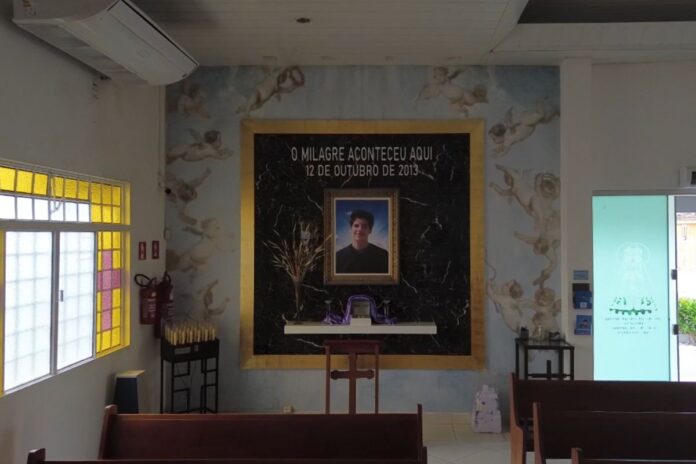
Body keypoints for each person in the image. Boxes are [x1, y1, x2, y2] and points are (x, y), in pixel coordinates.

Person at [335, 209, 389, 274]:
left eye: (364, 226)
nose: (360, 229)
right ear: (350, 229)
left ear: (370, 230)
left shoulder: (384, 256)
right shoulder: (338, 257)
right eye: (356, 226)